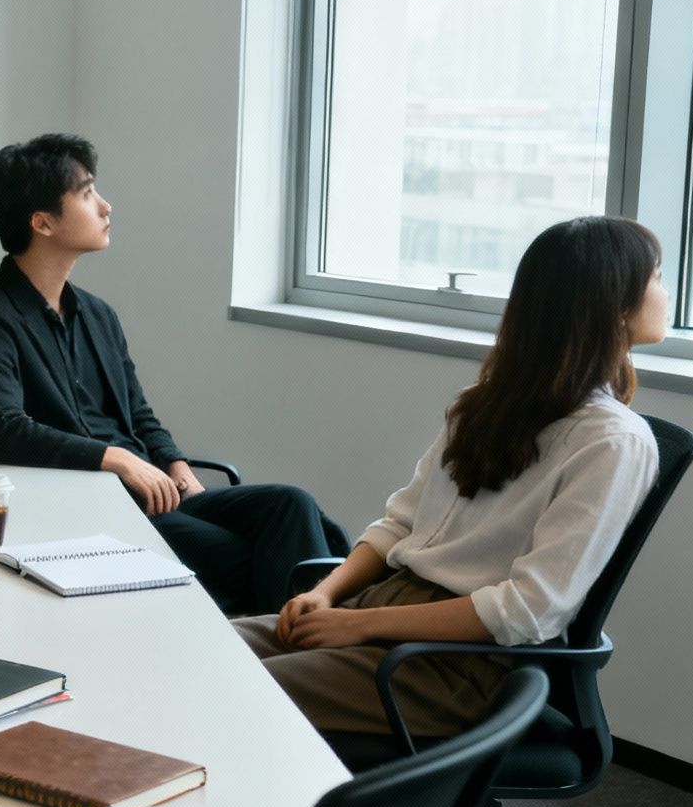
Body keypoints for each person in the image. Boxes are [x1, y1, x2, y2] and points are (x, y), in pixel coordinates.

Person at [236, 216, 665, 740]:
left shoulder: (613, 441)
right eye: (657, 278)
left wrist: (357, 625)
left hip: (455, 663)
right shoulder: (481, 406)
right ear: (615, 307)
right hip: (379, 609)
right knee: (184, 651)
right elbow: (401, 525)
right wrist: (327, 596)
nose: (663, 294)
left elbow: (529, 610)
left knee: (223, 690)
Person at [0, 133, 345, 616]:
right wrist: (115, 458)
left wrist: (175, 464)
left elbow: (137, 412)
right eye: (88, 193)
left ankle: (292, 649)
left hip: (152, 489)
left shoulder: (97, 315)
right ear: (42, 222)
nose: (106, 206)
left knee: (293, 505)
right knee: (262, 558)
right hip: (89, 503)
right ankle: (291, 656)